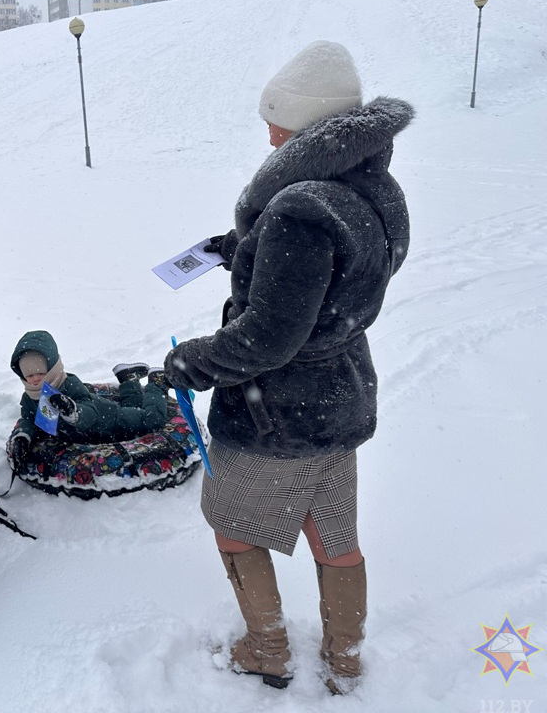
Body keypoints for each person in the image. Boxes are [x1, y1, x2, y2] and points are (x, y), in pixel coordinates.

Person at [164, 41, 413, 694]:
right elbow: (335, 277)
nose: (267, 131)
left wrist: (190, 362)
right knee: (335, 535)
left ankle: (268, 649)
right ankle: (344, 660)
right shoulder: (373, 187)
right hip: (343, 398)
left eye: (278, 119)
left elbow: (268, 338)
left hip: (281, 413)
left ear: (311, 127)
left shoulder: (300, 211)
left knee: (230, 524)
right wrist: (246, 250)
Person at [6, 330, 169, 461]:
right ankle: (128, 379)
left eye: (40, 373)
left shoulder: (68, 384)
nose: (35, 379)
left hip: (109, 421)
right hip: (88, 435)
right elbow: (28, 419)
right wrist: (23, 436)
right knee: (133, 409)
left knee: (151, 420)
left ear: (51, 368)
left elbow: (89, 410)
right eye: (29, 375)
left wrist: (74, 412)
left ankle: (157, 382)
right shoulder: (29, 397)